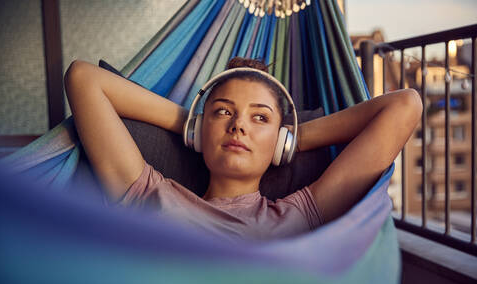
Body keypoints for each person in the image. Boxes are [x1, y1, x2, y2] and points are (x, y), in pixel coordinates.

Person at [64, 57, 422, 241]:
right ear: (200, 130)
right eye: (223, 112)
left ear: (280, 143)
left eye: (260, 119)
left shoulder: (298, 215)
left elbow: (404, 106)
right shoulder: (148, 194)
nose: (239, 125)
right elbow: (83, 78)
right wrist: (193, 125)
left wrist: (293, 138)